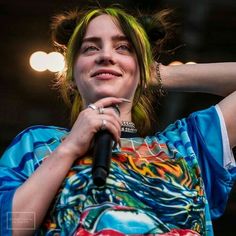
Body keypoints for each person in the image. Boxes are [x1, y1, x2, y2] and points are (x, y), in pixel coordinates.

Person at [0, 5, 236, 236]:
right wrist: (68, 149)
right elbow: (9, 227)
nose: (105, 55)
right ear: (71, 74)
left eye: (123, 47)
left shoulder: (187, 148)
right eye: (90, 48)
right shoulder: (38, 146)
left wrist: (159, 73)